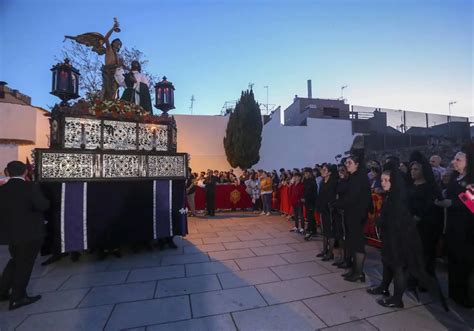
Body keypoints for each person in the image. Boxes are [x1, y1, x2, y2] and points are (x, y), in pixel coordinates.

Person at [0, 161, 49, 310]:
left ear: (7, 172)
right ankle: (18, 297)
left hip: (11, 234)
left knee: (15, 260)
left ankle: (2, 291)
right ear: (25, 172)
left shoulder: (3, 189)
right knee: (25, 264)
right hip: (31, 233)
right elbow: (42, 205)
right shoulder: (30, 187)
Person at [436, 144, 474, 308]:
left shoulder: (470, 180)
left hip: (466, 230)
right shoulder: (453, 178)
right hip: (451, 227)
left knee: (465, 264)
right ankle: (455, 294)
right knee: (453, 261)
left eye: (458, 159)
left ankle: (466, 297)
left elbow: (472, 205)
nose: (454, 162)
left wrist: (452, 204)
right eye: (454, 159)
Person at [335, 150, 372, 282]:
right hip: (352, 213)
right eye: (346, 162)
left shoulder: (359, 177)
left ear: (357, 164)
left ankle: (359, 273)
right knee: (352, 242)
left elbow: (352, 197)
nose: (346, 164)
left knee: (358, 244)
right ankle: (354, 270)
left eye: (349, 162)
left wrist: (337, 203)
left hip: (357, 214)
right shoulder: (354, 176)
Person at [316, 164, 338, 260]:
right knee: (324, 230)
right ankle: (324, 250)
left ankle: (330, 253)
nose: (322, 171)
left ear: (329, 172)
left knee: (330, 231)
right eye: (322, 170)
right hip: (323, 209)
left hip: (330, 210)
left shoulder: (333, 182)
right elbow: (320, 196)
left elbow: (333, 197)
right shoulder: (321, 182)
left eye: (324, 170)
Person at [303, 168, 318, 240]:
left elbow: (310, 192)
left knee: (310, 217)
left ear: (309, 173)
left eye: (306, 173)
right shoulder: (307, 181)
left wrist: (305, 197)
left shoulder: (312, 181)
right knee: (310, 216)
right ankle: (313, 230)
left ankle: (310, 230)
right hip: (308, 201)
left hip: (311, 201)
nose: (305, 175)